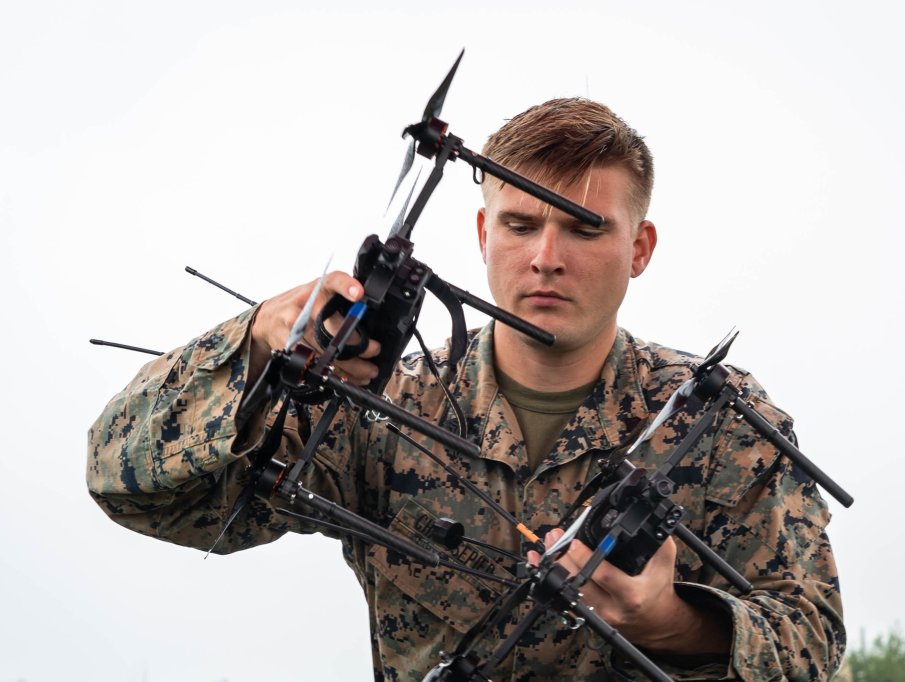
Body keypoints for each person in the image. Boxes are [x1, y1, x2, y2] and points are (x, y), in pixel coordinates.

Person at [87, 98, 845, 681]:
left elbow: (812, 640)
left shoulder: (715, 420)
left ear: (639, 247)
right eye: (520, 225)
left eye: (584, 230)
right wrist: (254, 345)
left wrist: (670, 623)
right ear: (483, 235)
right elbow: (131, 487)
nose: (546, 258)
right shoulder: (385, 410)